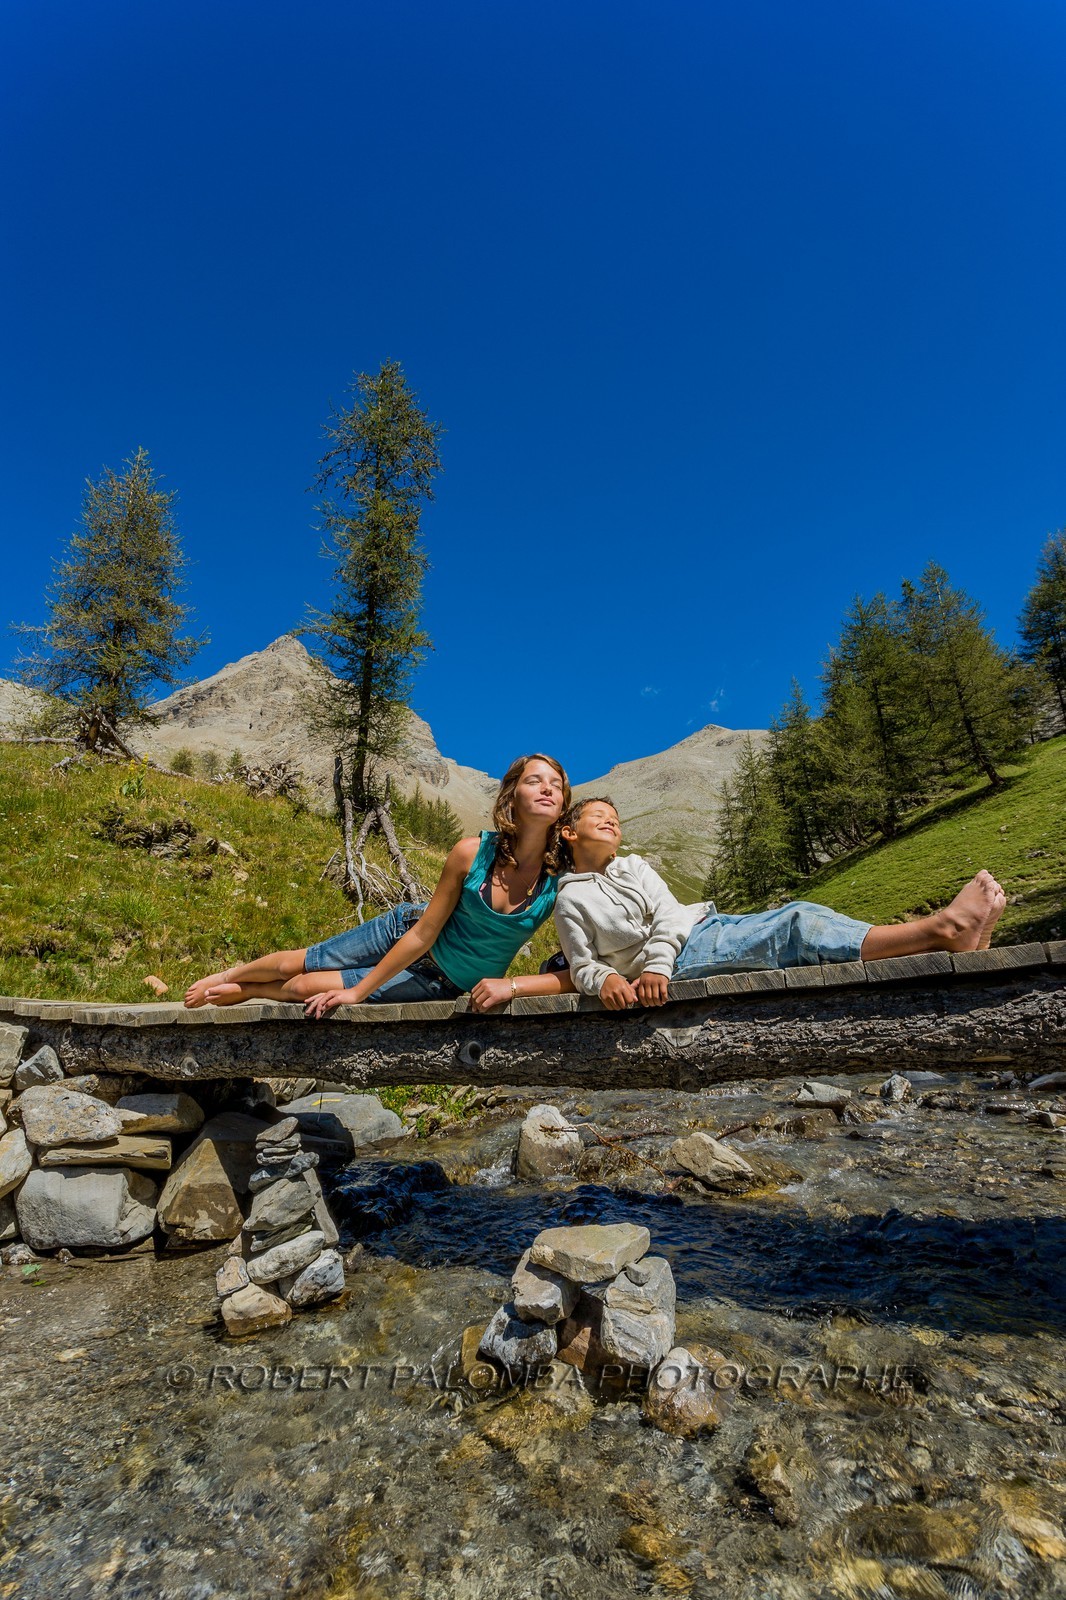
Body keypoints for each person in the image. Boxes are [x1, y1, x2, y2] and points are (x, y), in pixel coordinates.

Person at [183, 754, 577, 1017]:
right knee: (297, 963)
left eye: (556, 785)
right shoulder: (471, 853)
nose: (547, 789)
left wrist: (512, 986)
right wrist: (358, 993)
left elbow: (577, 968)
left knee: (305, 986)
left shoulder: (561, 880)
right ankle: (230, 976)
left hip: (439, 981)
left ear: (562, 805)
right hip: (406, 931)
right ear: (511, 796)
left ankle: (254, 990)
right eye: (534, 781)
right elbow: (423, 934)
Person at [553, 796, 1007, 1010]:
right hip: (683, 960)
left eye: (616, 819)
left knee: (801, 914)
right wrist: (611, 977)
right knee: (797, 928)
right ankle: (941, 930)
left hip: (698, 931)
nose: (612, 823)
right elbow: (582, 965)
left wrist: (655, 962)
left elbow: (669, 913)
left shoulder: (633, 866)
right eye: (600, 817)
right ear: (570, 833)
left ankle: (952, 940)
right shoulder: (571, 898)